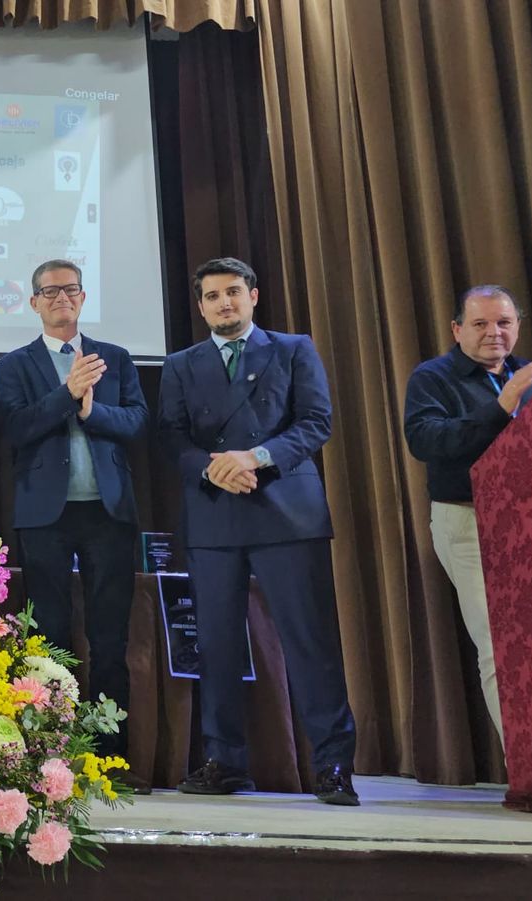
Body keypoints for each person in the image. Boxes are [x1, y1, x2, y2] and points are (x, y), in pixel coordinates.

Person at [157, 257, 359, 806]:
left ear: (253, 295)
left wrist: (256, 456)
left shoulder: (294, 349)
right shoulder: (180, 364)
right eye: (213, 295)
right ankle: (225, 762)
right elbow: (171, 438)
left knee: (309, 642)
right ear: (200, 306)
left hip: (287, 513)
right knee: (217, 645)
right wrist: (213, 466)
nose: (224, 302)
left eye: (233, 292)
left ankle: (333, 765)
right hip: (214, 515)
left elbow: (316, 422)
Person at [0, 259, 148, 791]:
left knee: (109, 639)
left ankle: (109, 763)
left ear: (83, 299)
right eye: (50, 291)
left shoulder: (117, 359)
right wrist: (67, 394)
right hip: (45, 516)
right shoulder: (14, 364)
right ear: (34, 302)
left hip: (108, 512)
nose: (62, 298)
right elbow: (15, 428)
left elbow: (136, 422)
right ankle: (50, 763)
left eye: (71, 290)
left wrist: (89, 410)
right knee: (49, 638)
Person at [404, 284, 532, 813]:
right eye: (483, 324)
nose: (496, 334)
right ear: (457, 330)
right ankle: (528, 775)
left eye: (505, 323)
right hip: (466, 522)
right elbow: (427, 442)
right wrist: (499, 408)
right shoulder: (433, 378)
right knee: (499, 647)